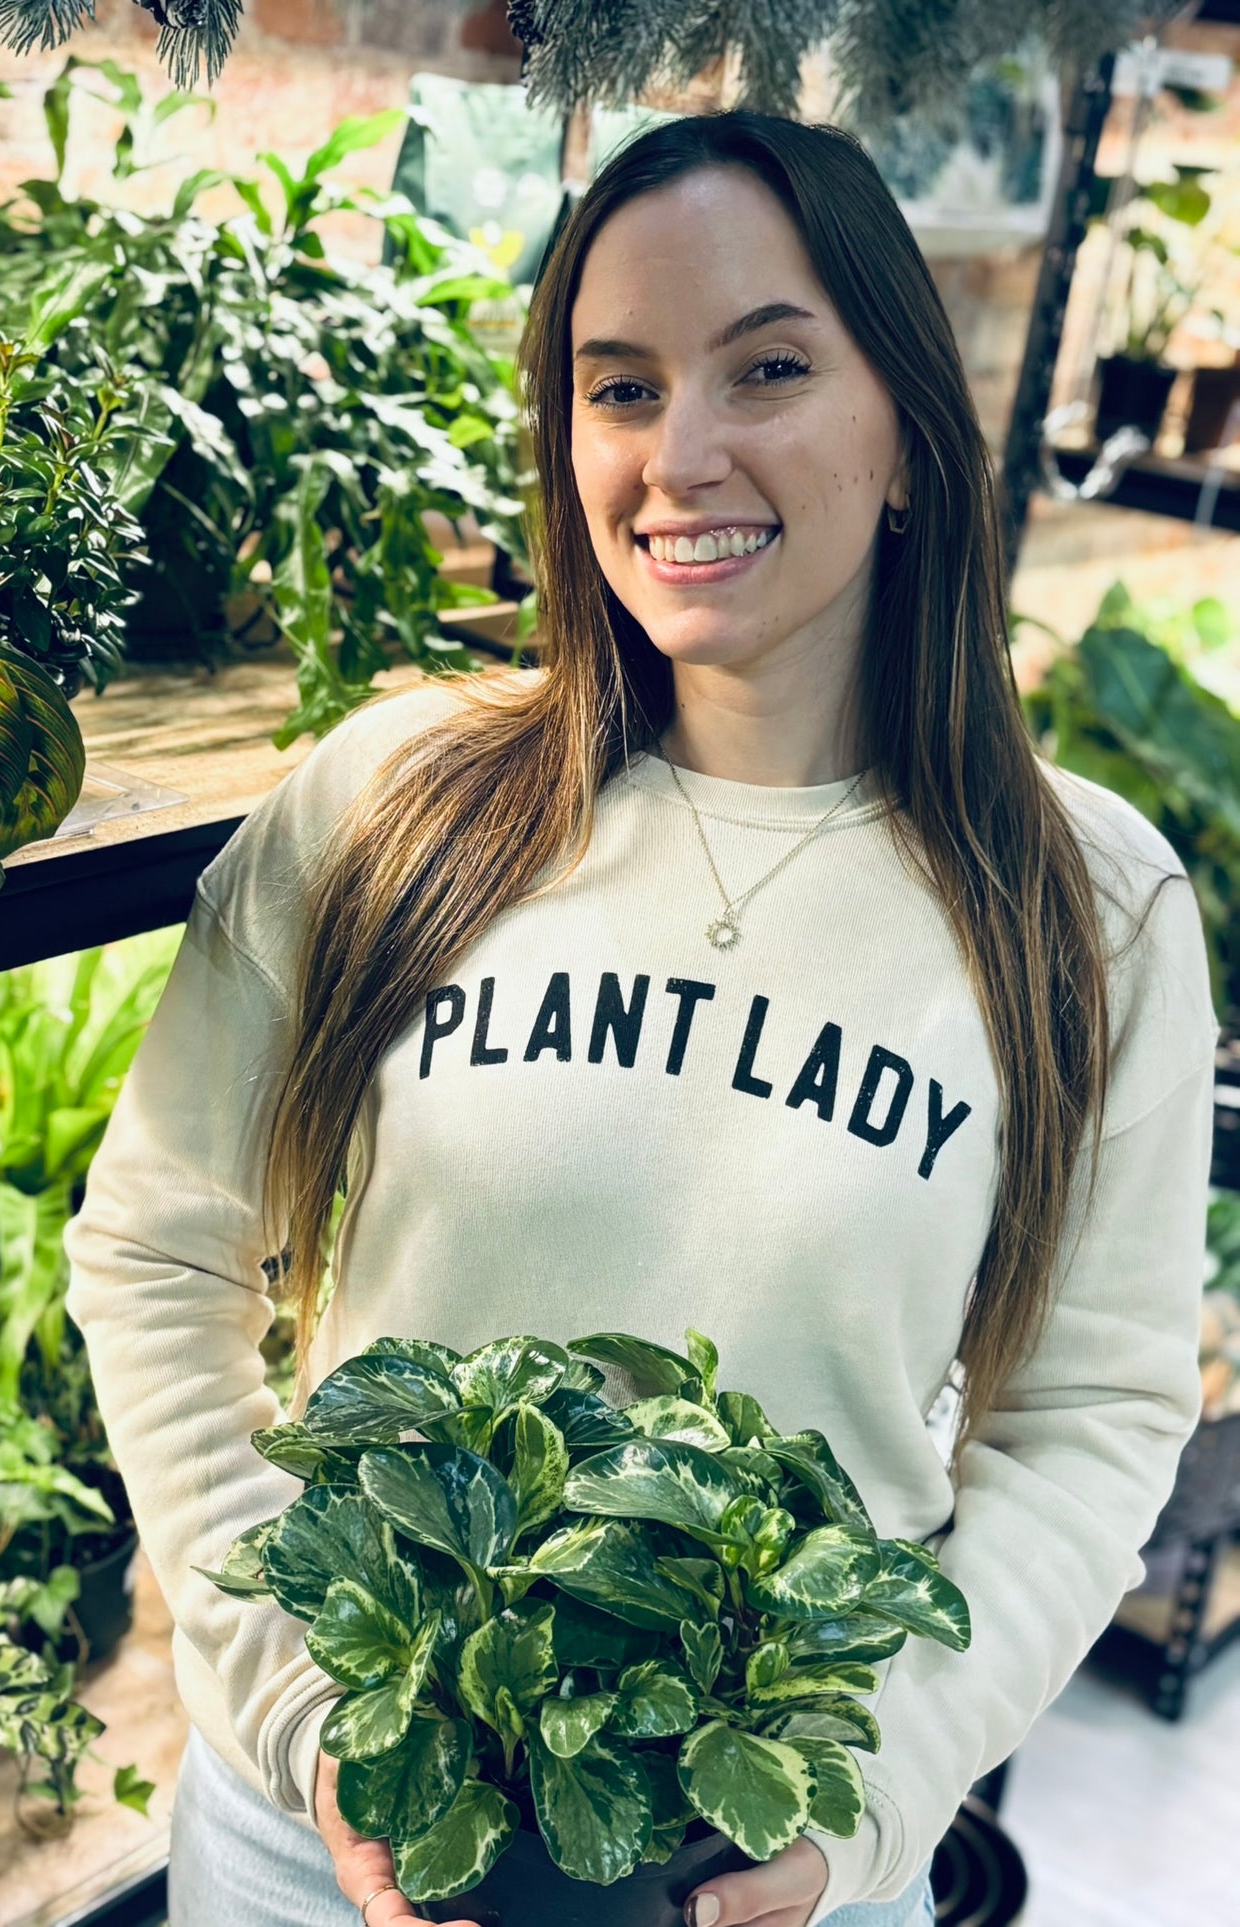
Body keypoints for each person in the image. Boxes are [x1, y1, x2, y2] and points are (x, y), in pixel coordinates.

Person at [64, 110, 1216, 1927]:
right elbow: (156, 1251)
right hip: (323, 1847)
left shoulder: (1085, 905)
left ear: (907, 429)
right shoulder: (393, 797)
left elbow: (1090, 1416)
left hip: (767, 1871)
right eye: (617, 388)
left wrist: (878, 1800)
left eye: (766, 367)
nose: (679, 455)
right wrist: (297, 1705)